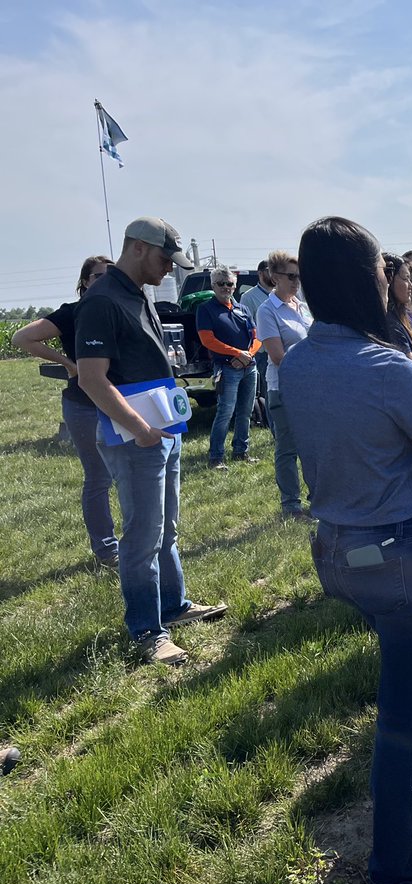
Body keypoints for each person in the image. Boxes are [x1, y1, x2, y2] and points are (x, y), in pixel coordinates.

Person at [280, 216, 412, 884]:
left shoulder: (297, 363)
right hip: (401, 554)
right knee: (402, 710)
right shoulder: (389, 368)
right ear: (370, 281)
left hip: (337, 552)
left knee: (401, 689)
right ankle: (400, 856)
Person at [75, 217, 227, 666]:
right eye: (165, 258)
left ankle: (173, 606)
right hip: (136, 438)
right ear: (139, 248)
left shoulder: (136, 294)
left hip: (163, 432)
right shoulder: (102, 301)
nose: (169, 269)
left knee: (167, 529)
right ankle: (146, 629)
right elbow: (91, 378)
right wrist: (140, 430)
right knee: (142, 536)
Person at [13, 255, 120, 567]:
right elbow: (22, 337)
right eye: (98, 276)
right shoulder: (72, 313)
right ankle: (106, 550)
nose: (105, 281)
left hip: (119, 402)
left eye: (110, 276)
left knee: (128, 472)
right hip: (84, 405)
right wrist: (68, 364)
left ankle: (137, 541)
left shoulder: (118, 308)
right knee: (99, 477)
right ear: (85, 281)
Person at [256, 249, 313, 519]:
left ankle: (318, 496)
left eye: (299, 277)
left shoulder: (300, 304)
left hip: (310, 387)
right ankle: (291, 504)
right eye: (291, 276)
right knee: (288, 448)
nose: (296, 282)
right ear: (274, 277)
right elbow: (278, 356)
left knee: (313, 444)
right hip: (283, 388)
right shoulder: (267, 311)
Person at [197, 264, 261, 470]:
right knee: (225, 411)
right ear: (213, 286)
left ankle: (241, 451)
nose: (226, 287)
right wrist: (236, 353)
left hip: (249, 367)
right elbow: (208, 340)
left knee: (245, 411)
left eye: (230, 284)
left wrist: (247, 355)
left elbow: (257, 337)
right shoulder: (205, 309)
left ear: (235, 286)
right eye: (221, 284)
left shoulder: (242, 309)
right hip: (226, 369)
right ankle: (216, 457)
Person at [240, 260, 274, 426]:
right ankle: (271, 426)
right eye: (269, 270)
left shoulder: (279, 294)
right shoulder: (248, 297)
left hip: (284, 350)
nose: (273, 274)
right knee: (270, 392)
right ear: (260, 273)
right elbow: (246, 327)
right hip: (263, 354)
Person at [382, 252, 412, 362]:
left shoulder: (398, 319)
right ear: (389, 279)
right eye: (406, 279)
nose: (411, 286)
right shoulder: (390, 323)